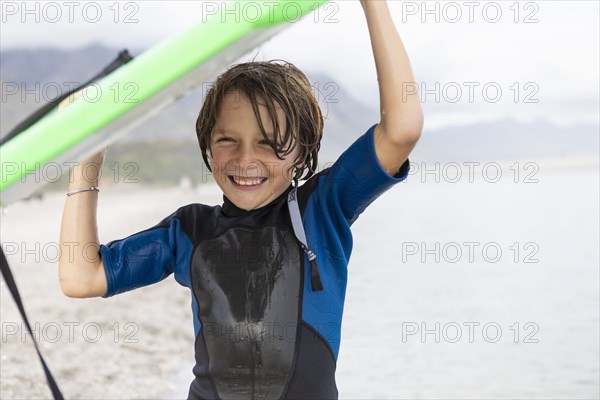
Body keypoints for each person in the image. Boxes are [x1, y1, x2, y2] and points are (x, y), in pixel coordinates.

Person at [58, 1, 423, 398]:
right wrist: (86, 159)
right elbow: (81, 277)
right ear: (208, 147)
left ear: (301, 153)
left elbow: (401, 130)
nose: (246, 160)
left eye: (269, 144)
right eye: (227, 139)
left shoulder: (323, 209)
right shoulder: (190, 230)